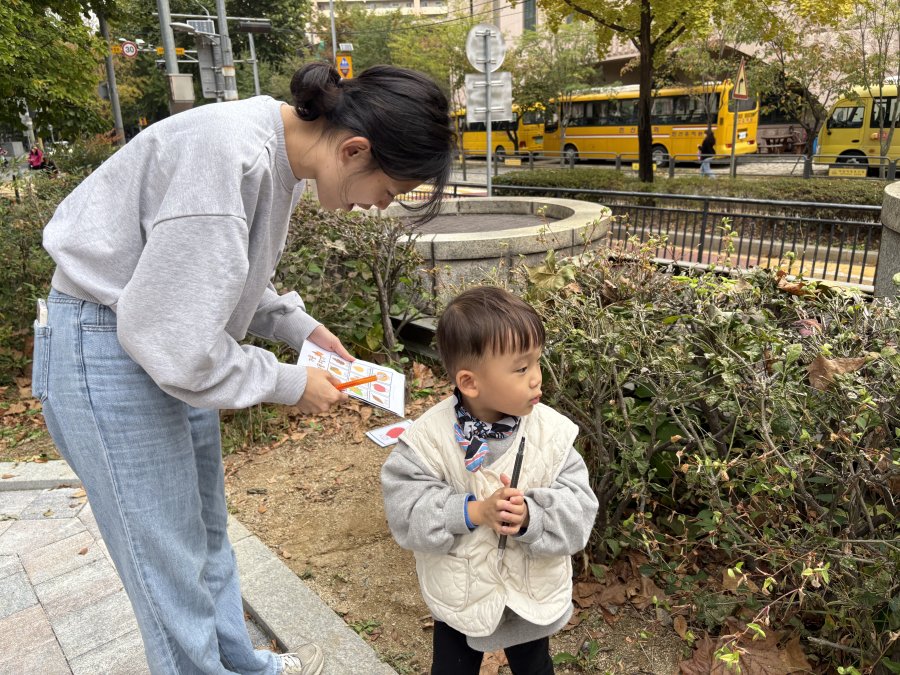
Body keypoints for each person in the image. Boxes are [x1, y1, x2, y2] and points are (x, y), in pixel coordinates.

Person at [33, 62, 454, 675]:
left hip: (147, 335)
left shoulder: (273, 153)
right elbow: (175, 341)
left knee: (203, 531)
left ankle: (234, 660)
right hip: (109, 349)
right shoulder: (231, 158)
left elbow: (218, 276)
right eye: (386, 192)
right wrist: (287, 383)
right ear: (355, 148)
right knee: (167, 561)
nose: (373, 207)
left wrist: (298, 327)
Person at [381, 286, 599, 675]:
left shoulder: (552, 435)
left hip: (529, 590)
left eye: (536, 362)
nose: (537, 378)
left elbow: (580, 510)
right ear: (470, 382)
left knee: (535, 667)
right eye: (521, 368)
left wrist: (532, 515)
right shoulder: (428, 439)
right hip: (460, 594)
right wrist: (473, 511)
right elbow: (405, 512)